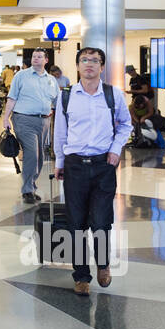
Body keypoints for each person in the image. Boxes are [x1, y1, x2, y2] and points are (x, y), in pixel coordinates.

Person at [52, 47, 132, 296]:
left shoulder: (112, 95)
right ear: (77, 66)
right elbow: (60, 132)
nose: (89, 64)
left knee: (101, 222)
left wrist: (116, 149)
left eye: (94, 61)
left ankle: (103, 265)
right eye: (84, 60)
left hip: (103, 165)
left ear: (101, 67)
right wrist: (60, 161)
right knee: (76, 223)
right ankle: (81, 276)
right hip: (75, 165)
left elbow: (125, 125)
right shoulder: (66, 96)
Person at [3, 48, 60, 204]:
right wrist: (5, 118)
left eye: (39, 57)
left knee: (40, 156)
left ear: (46, 60)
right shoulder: (21, 76)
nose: (36, 59)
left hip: (44, 121)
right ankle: (27, 190)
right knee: (32, 154)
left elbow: (56, 103)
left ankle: (31, 185)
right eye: (34, 56)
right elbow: (12, 98)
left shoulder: (51, 80)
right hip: (23, 119)